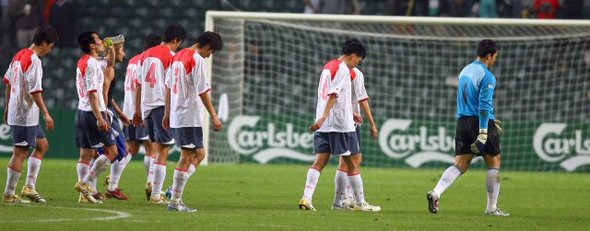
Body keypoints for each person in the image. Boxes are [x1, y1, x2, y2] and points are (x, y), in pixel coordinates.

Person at [426, 39, 509, 216]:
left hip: (462, 122)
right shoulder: (487, 76)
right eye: (495, 57)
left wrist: (492, 120)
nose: (495, 60)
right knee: (494, 163)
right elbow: (484, 106)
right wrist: (484, 132)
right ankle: (491, 208)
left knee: (460, 164)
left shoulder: (465, 70)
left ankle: (436, 192)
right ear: (489, 55)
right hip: (479, 122)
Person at [299, 40, 380, 212]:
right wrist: (324, 117)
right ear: (353, 56)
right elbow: (334, 95)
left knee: (320, 162)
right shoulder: (344, 69)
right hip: (339, 124)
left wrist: (324, 118)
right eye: (358, 60)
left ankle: (307, 197)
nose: (357, 64)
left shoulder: (328, 66)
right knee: (352, 163)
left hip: (327, 123)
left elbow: (332, 96)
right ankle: (358, 202)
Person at [162, 31, 223, 212]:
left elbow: (167, 87)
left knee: (200, 153)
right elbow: (203, 91)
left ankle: (174, 191)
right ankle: (174, 202)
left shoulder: (177, 56)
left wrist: (167, 113)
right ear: (207, 46)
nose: (209, 55)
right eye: (211, 52)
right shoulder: (196, 60)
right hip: (187, 114)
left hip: (178, 113)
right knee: (187, 157)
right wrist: (213, 115)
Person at [2, 25, 57, 203]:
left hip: (24, 112)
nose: (49, 51)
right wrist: (46, 113)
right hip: (24, 114)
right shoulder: (34, 60)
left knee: (42, 146)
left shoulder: (19, 54)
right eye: (50, 46)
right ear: (44, 42)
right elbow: (35, 90)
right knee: (20, 152)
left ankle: (29, 187)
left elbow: (8, 82)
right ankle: (9, 194)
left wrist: (7, 106)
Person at [132, 24, 185, 204]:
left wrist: (137, 110)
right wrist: (170, 112)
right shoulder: (171, 56)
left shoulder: (144, 55)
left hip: (147, 106)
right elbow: (170, 85)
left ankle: (154, 188)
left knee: (157, 149)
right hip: (162, 105)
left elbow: (138, 84)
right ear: (176, 40)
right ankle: (156, 194)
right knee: (163, 150)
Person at [74, 31, 120, 204]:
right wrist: (100, 118)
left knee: (85, 154)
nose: (102, 41)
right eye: (99, 40)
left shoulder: (85, 61)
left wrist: (112, 48)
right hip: (92, 112)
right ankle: (85, 184)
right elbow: (93, 94)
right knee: (112, 152)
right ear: (92, 45)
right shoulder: (92, 65)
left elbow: (109, 63)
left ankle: (84, 195)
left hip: (81, 111)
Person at [120, 34, 161, 201]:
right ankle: (151, 183)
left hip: (128, 110)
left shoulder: (132, 61)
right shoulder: (149, 60)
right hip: (142, 110)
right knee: (152, 148)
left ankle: (113, 182)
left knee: (131, 148)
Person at [334, 60, 379, 209]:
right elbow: (363, 100)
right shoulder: (355, 73)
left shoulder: (336, 71)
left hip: (341, 119)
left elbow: (334, 96)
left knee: (349, 159)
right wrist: (372, 123)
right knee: (351, 160)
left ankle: (345, 199)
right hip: (349, 122)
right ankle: (348, 199)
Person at [101, 35, 131, 200]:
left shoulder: (108, 68)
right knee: (118, 150)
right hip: (105, 112)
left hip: (109, 110)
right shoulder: (109, 69)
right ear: (116, 51)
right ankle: (89, 183)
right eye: (122, 50)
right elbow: (104, 93)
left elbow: (109, 95)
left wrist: (120, 113)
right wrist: (104, 114)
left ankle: (109, 186)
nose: (124, 55)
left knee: (117, 150)